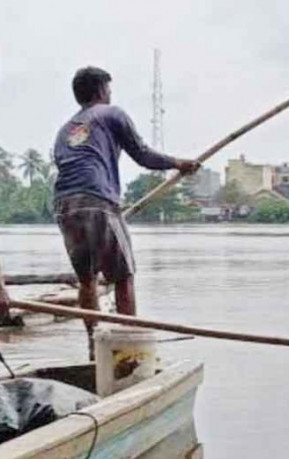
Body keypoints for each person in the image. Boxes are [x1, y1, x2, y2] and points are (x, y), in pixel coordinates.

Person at [53, 66, 199, 357]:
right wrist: (180, 164)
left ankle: (95, 347)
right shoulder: (111, 113)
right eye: (109, 88)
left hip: (64, 206)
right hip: (98, 201)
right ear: (101, 91)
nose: (111, 93)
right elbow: (143, 154)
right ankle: (127, 350)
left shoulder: (64, 130)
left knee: (87, 281)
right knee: (123, 276)